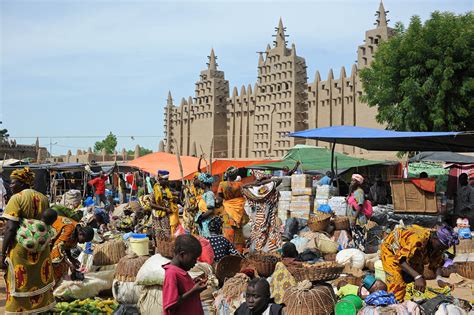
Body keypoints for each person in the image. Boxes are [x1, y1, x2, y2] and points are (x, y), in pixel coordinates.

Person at [1, 167, 56, 314]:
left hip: (21, 250)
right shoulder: (43, 198)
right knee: (38, 279)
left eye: (13, 183)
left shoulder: (16, 198)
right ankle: (39, 310)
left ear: (23, 182)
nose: (11, 186)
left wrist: (2, 253)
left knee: (19, 282)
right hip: (41, 249)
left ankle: (19, 311)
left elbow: (10, 228)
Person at [380, 224, 458, 301]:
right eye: (440, 247)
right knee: (397, 285)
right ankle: (395, 304)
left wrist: (439, 279)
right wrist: (417, 277)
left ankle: (410, 297)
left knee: (417, 276)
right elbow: (400, 260)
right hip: (391, 250)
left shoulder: (436, 246)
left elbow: (436, 264)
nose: (440, 250)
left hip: (408, 253)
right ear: (434, 239)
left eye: (443, 249)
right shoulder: (418, 239)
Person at [162, 234, 206, 315]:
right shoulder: (171, 273)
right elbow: (171, 304)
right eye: (194, 259)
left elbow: (183, 290)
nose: (195, 262)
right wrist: (193, 291)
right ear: (182, 254)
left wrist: (193, 283)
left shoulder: (180, 272)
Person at [242, 171, 282, 252]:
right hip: (269, 220)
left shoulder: (252, 194)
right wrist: (266, 181)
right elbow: (279, 180)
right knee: (269, 238)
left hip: (257, 221)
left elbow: (243, 187)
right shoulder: (270, 192)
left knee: (258, 239)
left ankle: (258, 254)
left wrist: (256, 183)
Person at [51, 215, 94, 281]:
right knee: (58, 268)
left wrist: (72, 259)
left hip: (54, 244)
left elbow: (66, 247)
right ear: (81, 234)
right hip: (48, 237)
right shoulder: (70, 230)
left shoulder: (76, 234)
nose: (83, 243)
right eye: (84, 240)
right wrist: (69, 264)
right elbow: (57, 249)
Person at [217, 166, 248, 252]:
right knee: (238, 232)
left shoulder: (222, 184)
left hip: (227, 211)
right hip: (239, 211)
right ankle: (238, 252)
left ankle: (227, 250)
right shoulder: (240, 184)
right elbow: (244, 195)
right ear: (236, 175)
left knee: (227, 230)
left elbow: (219, 197)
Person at [150, 170, 180, 240]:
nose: (167, 181)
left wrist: (174, 199)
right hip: (158, 215)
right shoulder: (155, 189)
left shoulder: (166, 189)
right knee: (159, 234)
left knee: (167, 234)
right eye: (165, 180)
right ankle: (161, 248)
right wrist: (165, 209)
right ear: (160, 179)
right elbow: (151, 204)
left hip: (166, 214)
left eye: (167, 179)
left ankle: (165, 248)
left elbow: (167, 197)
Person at [196, 173, 216, 238]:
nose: (199, 184)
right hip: (203, 222)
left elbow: (211, 210)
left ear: (203, 183)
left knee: (207, 240)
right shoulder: (204, 194)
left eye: (200, 182)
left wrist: (201, 217)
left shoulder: (209, 194)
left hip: (207, 223)